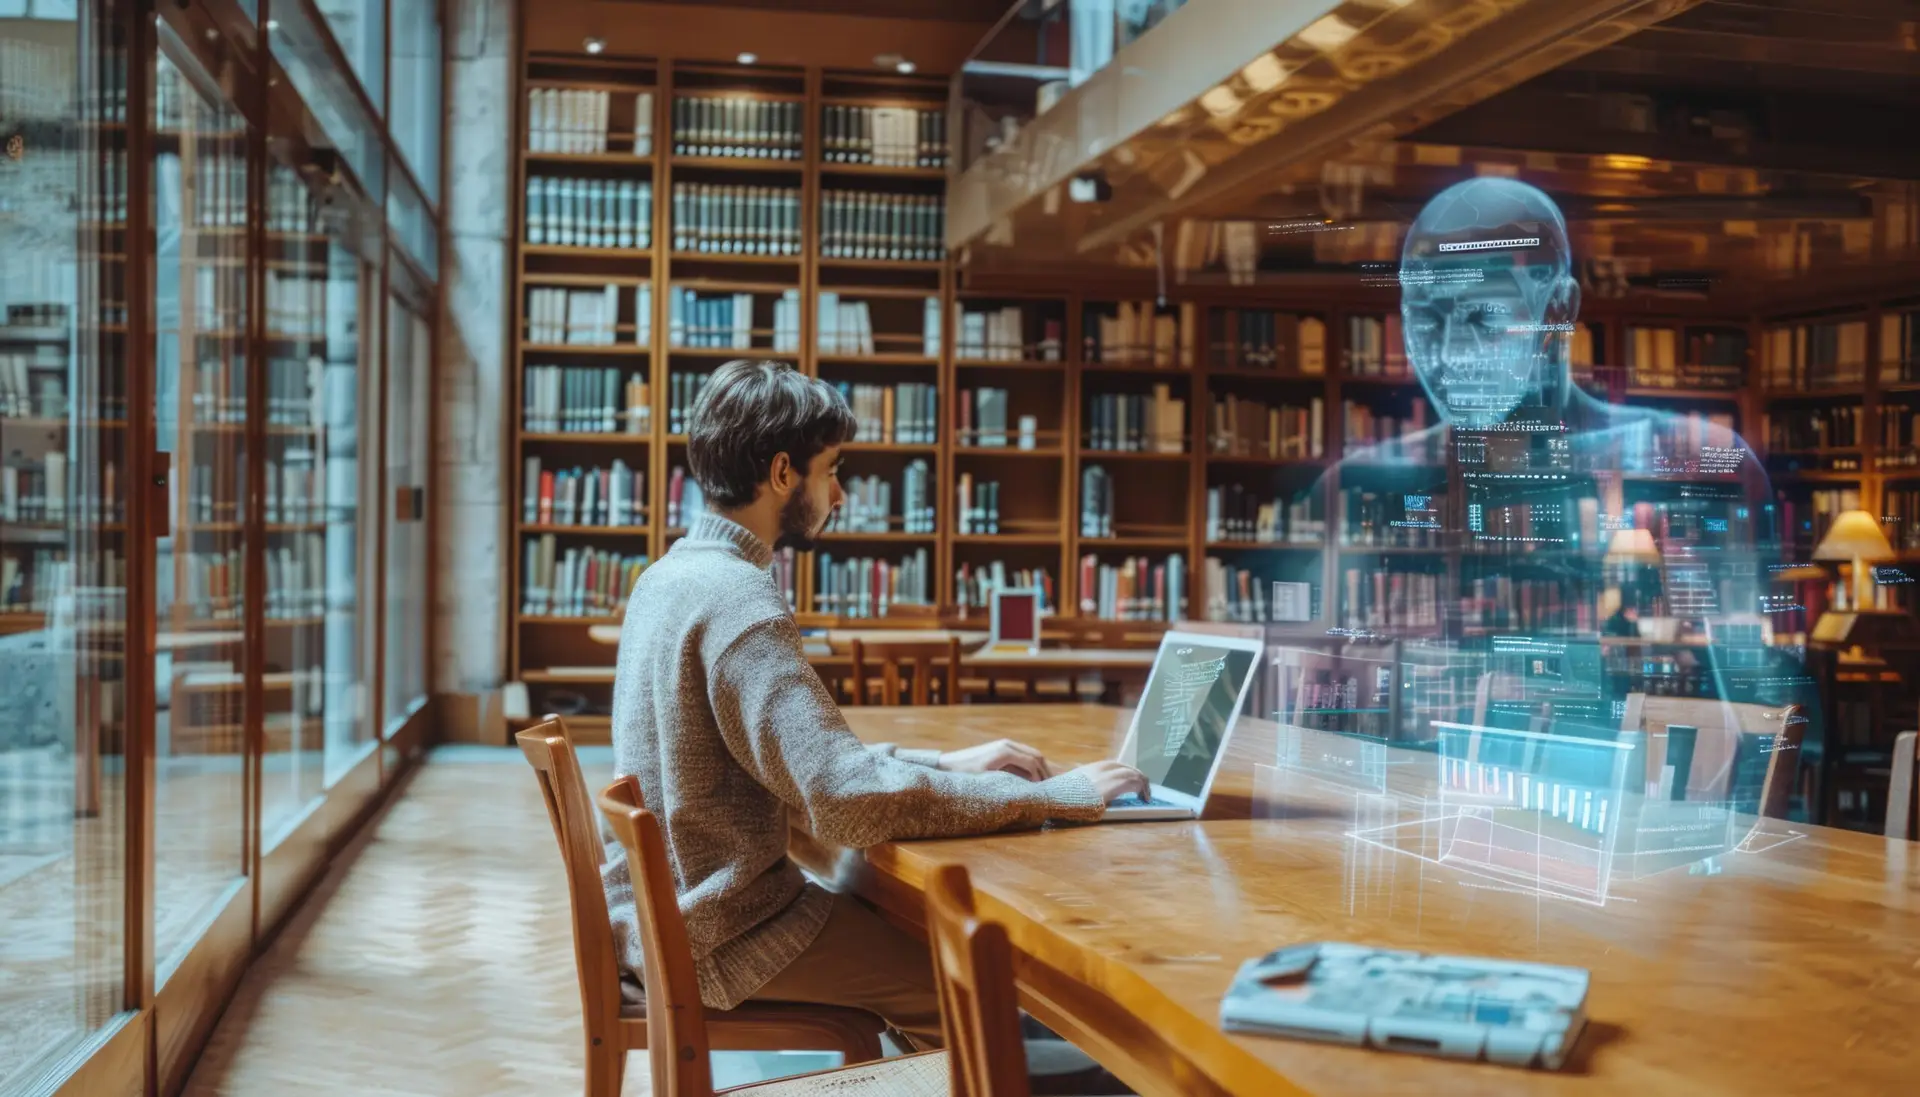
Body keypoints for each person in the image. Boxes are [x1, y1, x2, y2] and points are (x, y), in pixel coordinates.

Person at [602, 358, 1148, 1076]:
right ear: (781, 474)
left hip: (671, 919)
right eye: (831, 468)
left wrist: (944, 764)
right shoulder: (739, 600)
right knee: (964, 987)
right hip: (731, 933)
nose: (842, 490)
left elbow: (788, 763)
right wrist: (1058, 794)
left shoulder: (667, 576)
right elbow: (845, 799)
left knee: (945, 973)